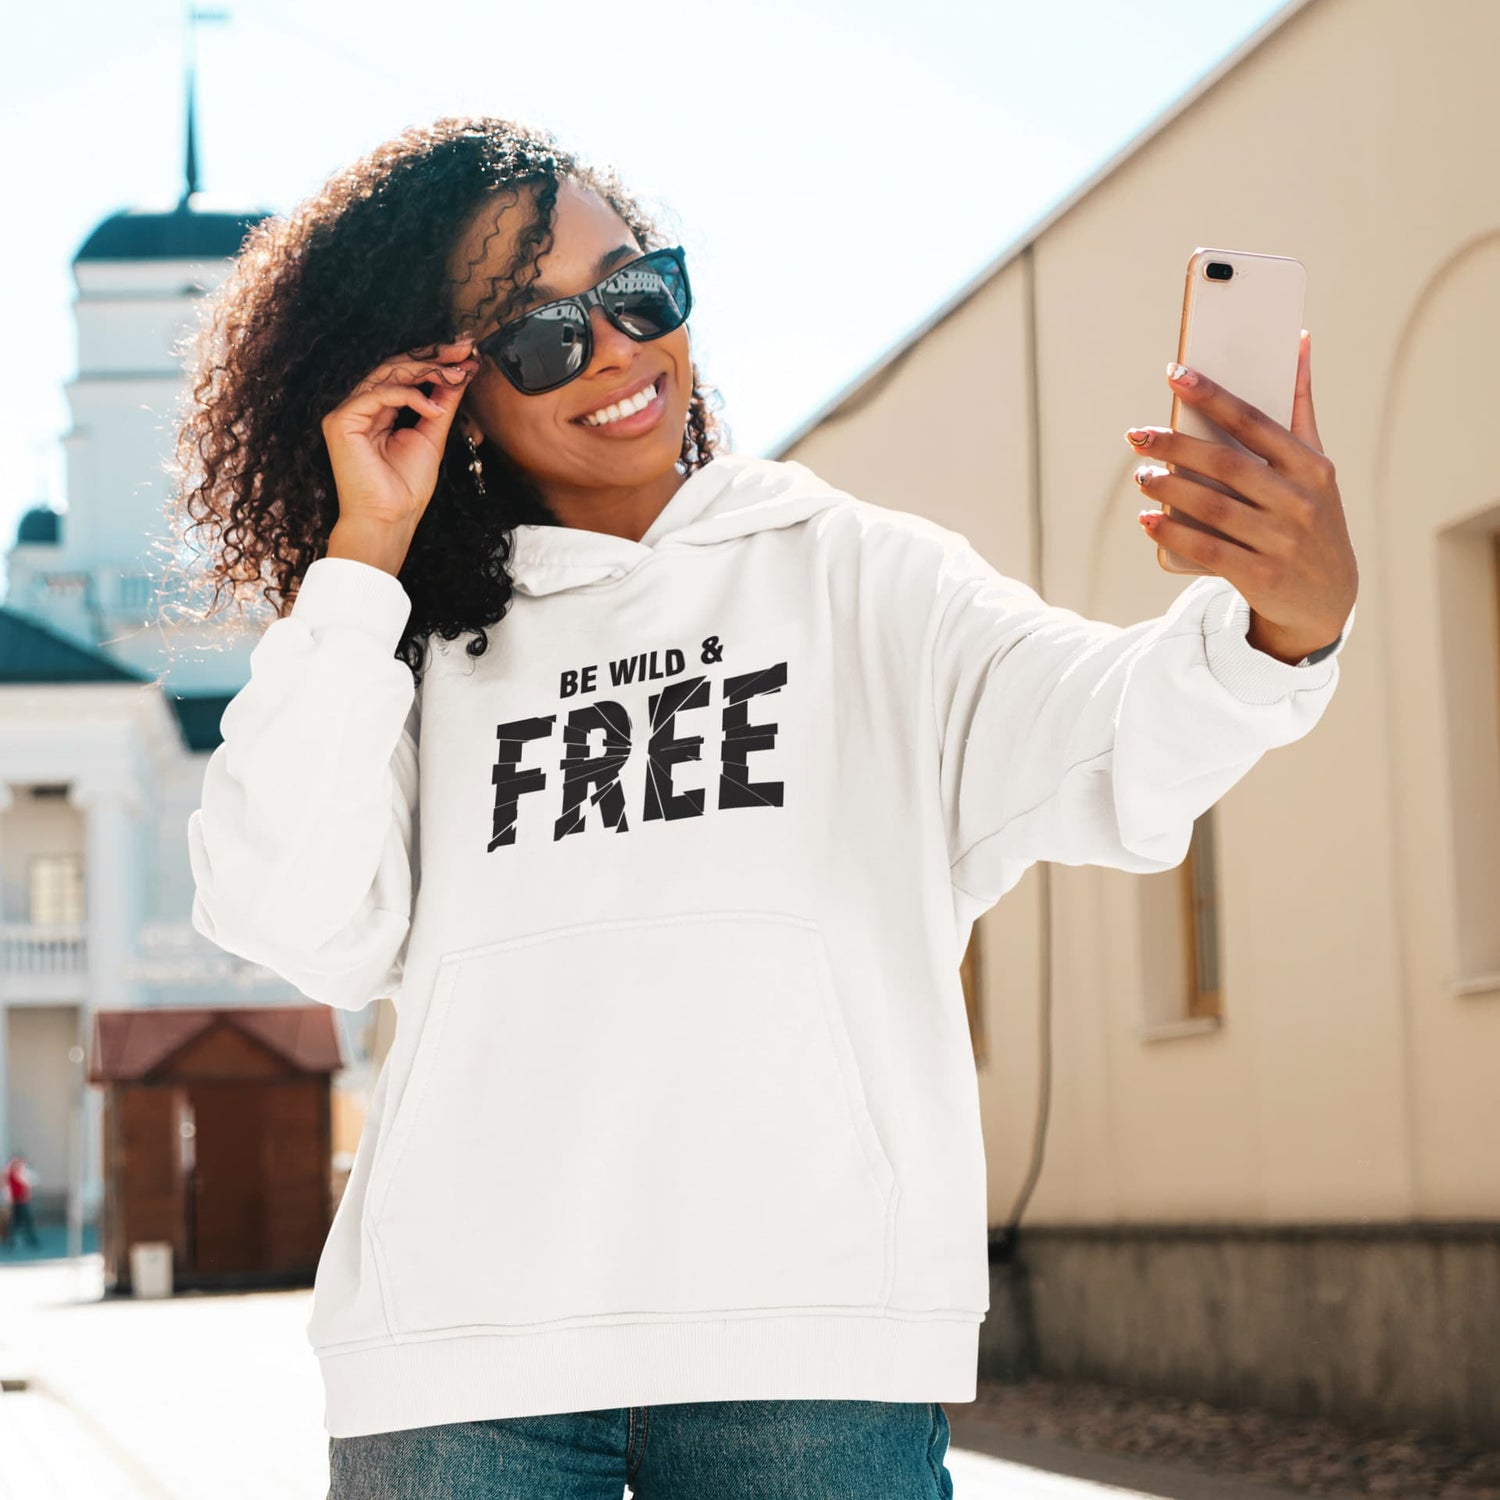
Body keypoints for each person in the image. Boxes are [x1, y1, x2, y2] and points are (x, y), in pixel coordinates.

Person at [176, 115, 1357, 1499]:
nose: (617, 350)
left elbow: (1115, 734)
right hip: (458, 1366)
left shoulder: (861, 577)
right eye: (542, 334)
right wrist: (364, 557)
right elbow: (284, 910)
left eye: (638, 291)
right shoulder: (403, 651)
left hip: (810, 1350)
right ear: (445, 389)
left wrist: (1287, 623)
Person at [4, 1153, 40, 1250]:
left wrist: (21, 1175)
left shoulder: (23, 1173)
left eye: (18, 1162)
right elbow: (5, 1186)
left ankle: (31, 1240)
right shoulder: (9, 1173)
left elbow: (32, 1182)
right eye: (14, 1163)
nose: (16, 1165)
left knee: (25, 1222)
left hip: (23, 1201)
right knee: (16, 1223)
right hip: (15, 1201)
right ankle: (13, 1242)